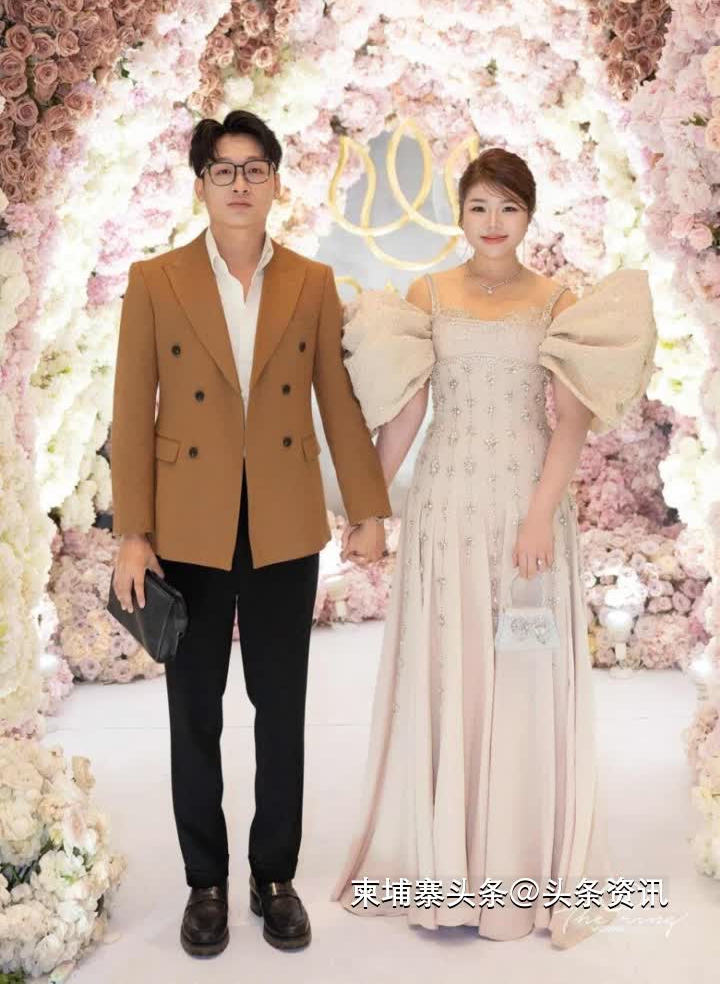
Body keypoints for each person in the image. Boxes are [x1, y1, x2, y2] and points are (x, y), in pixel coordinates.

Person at [331, 147, 657, 947]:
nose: (493, 222)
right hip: (445, 509)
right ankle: (448, 872)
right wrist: (369, 506)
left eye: (508, 207)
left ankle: (519, 871)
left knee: (522, 672)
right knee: (449, 672)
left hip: (524, 510)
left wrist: (540, 516)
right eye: (479, 206)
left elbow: (570, 422)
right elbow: (406, 416)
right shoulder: (428, 293)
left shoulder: (557, 301)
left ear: (528, 215)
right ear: (460, 213)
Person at [110, 110, 391, 957]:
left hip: (282, 523)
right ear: (201, 182)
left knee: (281, 710)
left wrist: (369, 508)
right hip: (186, 528)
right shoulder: (155, 279)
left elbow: (336, 400)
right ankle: (205, 881)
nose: (240, 184)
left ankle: (275, 877)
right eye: (224, 169)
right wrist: (133, 532)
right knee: (193, 711)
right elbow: (131, 410)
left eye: (255, 168)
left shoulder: (310, 280)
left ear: (275, 181)